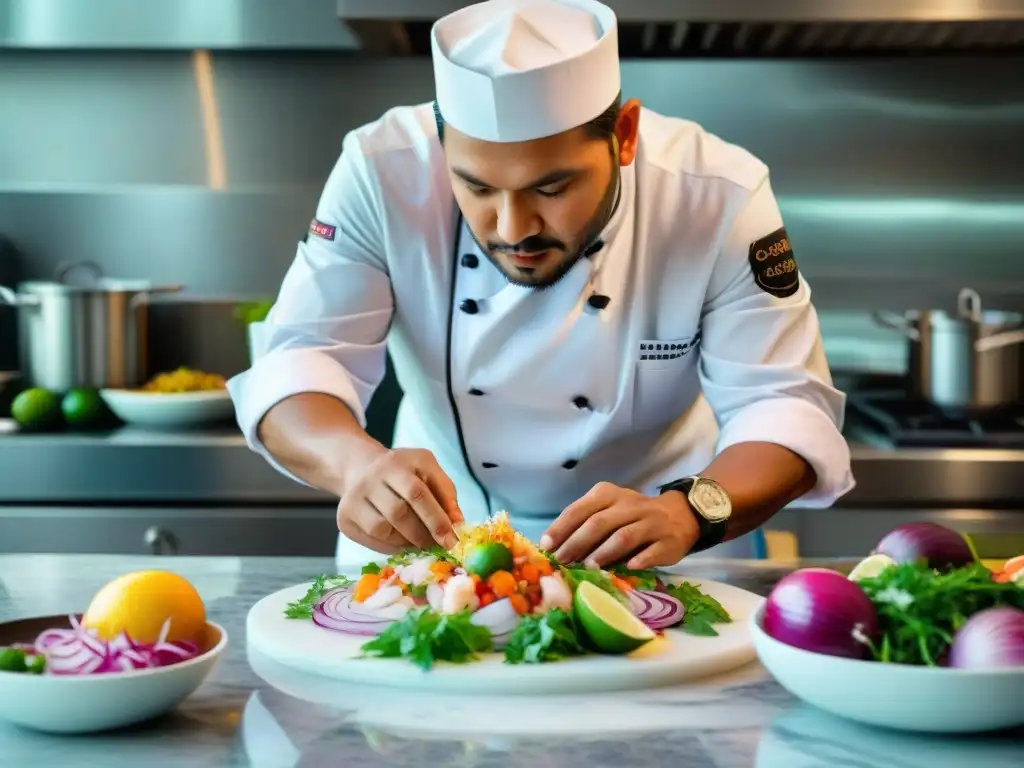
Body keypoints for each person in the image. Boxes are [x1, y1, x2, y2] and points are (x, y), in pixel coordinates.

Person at [227, 0, 854, 569]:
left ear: (624, 135)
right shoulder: (378, 171)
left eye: (551, 188)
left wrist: (690, 511)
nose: (512, 227)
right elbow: (300, 360)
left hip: (663, 547)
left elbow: (784, 406)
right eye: (475, 187)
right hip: (436, 549)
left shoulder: (717, 194)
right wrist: (357, 466)